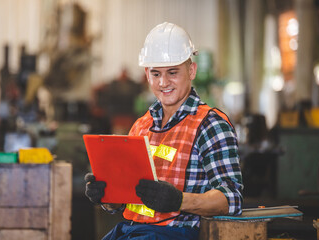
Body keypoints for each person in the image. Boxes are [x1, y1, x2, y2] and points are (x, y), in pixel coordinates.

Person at [85, 22, 243, 240]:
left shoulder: (211, 125)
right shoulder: (141, 125)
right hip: (130, 230)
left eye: (172, 72)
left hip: (174, 233)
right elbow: (127, 200)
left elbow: (231, 198)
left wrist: (179, 201)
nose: (163, 82)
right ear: (147, 75)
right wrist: (107, 196)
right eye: (156, 73)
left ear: (191, 70)